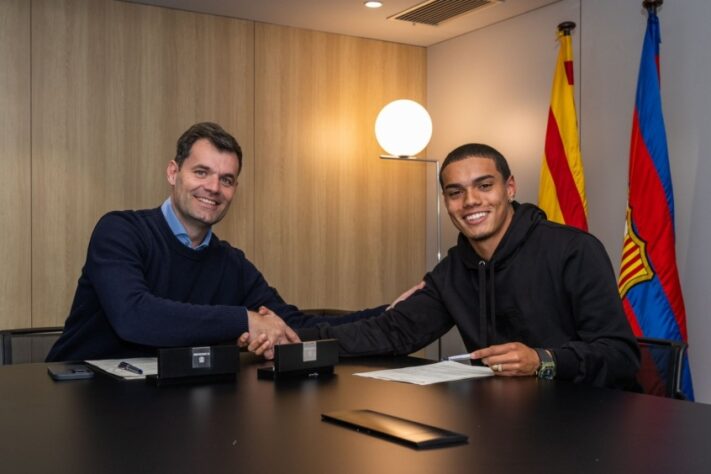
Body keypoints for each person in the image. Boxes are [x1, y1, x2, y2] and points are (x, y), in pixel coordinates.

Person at [47, 122, 408, 362]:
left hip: (161, 408)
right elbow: (135, 316)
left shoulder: (230, 263)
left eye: (227, 179)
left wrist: (388, 312)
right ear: (173, 173)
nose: (213, 189)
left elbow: (293, 323)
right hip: (73, 397)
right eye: (201, 172)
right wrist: (244, 320)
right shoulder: (120, 231)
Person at [292, 143, 640, 388]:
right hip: (505, 425)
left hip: (587, 423)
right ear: (446, 202)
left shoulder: (574, 250)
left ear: (510, 188)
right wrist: (289, 339)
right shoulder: (454, 270)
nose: (470, 201)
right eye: (456, 192)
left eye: (484, 186)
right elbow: (389, 333)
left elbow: (621, 356)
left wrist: (543, 359)